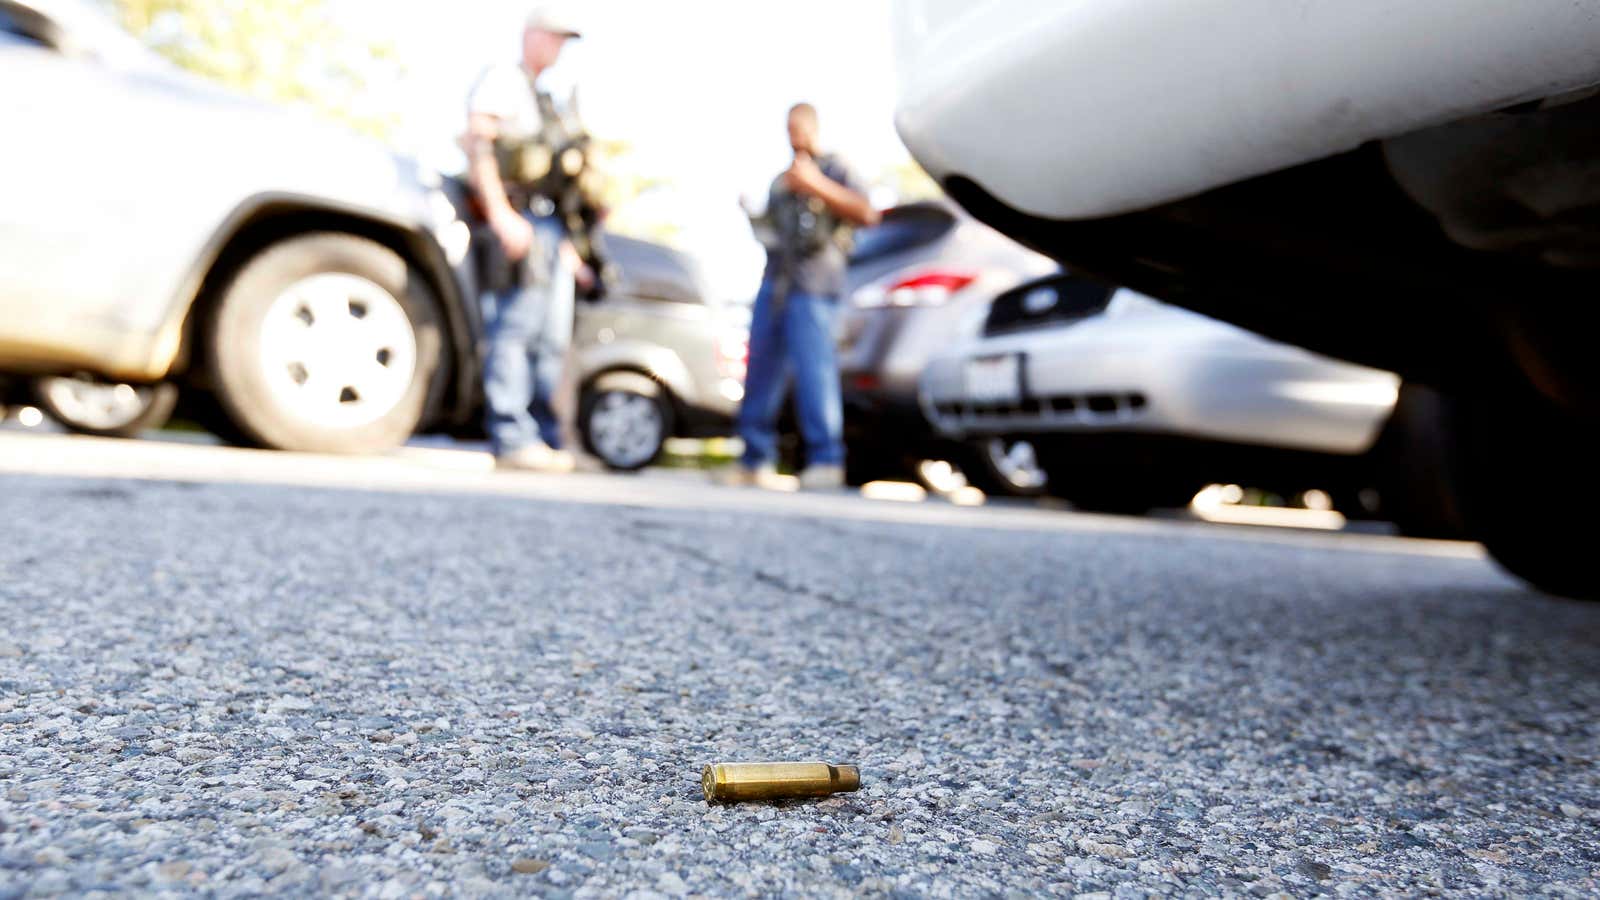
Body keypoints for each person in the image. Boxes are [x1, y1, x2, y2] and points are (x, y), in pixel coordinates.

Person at [466, 4, 595, 472]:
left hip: (547, 227)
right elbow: (478, 142)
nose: (560, 49)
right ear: (533, 34)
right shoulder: (503, 78)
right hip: (518, 218)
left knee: (550, 338)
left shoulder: (544, 97)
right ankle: (511, 435)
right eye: (555, 37)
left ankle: (544, 437)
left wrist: (568, 252)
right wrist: (501, 213)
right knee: (517, 328)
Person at [727, 103, 880, 490]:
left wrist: (815, 185)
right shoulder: (782, 181)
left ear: (814, 128)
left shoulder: (834, 168)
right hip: (776, 281)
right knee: (760, 370)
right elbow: (772, 234)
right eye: (789, 127)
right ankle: (754, 458)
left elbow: (867, 213)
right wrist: (751, 215)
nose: (795, 134)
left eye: (800, 127)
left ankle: (825, 460)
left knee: (816, 373)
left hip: (817, 284)